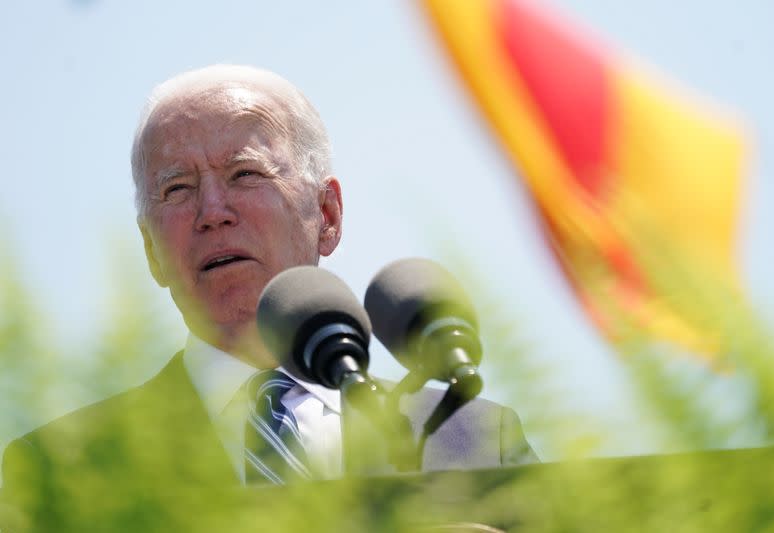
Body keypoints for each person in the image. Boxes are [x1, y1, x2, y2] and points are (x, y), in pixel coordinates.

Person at [0, 65, 535, 530]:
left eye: (245, 174)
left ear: (326, 216)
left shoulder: (475, 438)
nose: (213, 211)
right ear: (150, 250)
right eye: (177, 190)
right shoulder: (64, 469)